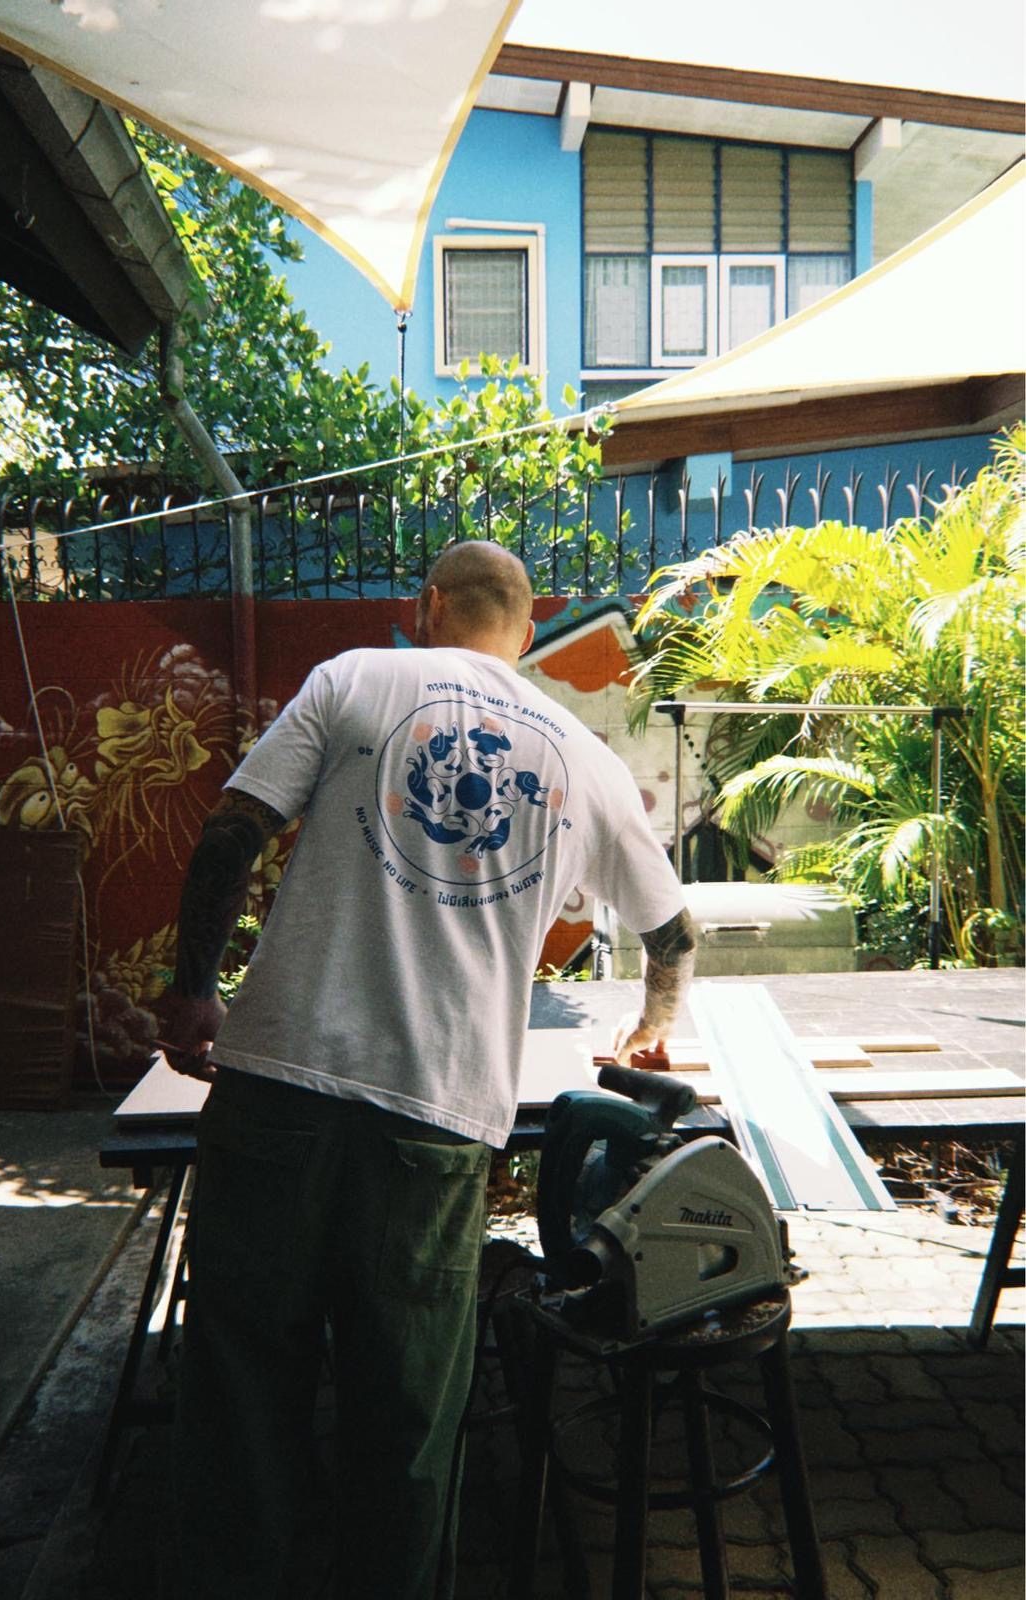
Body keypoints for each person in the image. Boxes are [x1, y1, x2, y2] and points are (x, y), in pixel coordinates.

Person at [154, 540, 696, 1600]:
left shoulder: (354, 678)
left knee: (239, 1397)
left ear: (429, 603)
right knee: (406, 1418)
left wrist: (193, 990)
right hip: (435, 1118)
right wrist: (651, 1026)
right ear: (527, 631)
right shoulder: (584, 759)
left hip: (275, 1085)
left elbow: (231, 834)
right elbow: (673, 933)